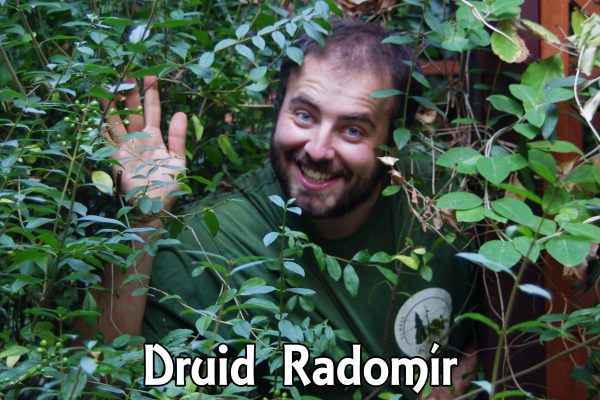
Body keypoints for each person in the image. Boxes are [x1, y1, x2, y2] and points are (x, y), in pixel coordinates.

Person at [99, 18, 476, 399]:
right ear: (277, 106)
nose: (318, 149)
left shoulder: (447, 198)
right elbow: (103, 381)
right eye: (305, 115)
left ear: (394, 143)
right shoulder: (211, 244)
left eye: (353, 130)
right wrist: (145, 217)